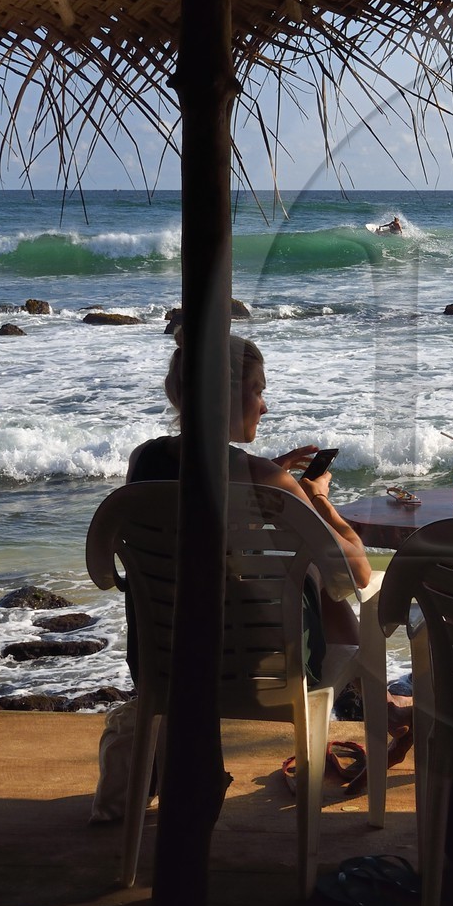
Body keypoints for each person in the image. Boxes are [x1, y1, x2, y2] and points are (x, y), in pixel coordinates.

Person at [91, 332, 381, 823]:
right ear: (224, 395)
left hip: (164, 664)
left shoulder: (143, 460)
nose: (264, 406)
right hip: (264, 676)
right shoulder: (263, 478)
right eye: (257, 390)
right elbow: (357, 570)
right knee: (316, 572)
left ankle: (387, 707)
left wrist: (271, 484)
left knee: (302, 568)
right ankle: (382, 707)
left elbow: (193, 513)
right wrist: (315, 500)